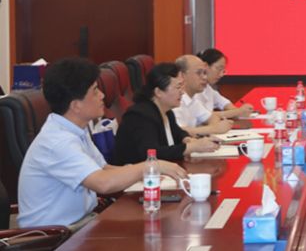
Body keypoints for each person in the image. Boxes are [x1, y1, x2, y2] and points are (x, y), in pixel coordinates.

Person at [17, 58, 187, 228]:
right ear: (76, 105)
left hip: (81, 223)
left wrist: (150, 174)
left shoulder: (76, 129)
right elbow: (103, 183)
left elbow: (104, 169)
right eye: (95, 91)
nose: (102, 96)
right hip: (54, 236)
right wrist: (151, 166)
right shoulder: (58, 142)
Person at [112, 63, 220, 165]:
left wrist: (188, 139)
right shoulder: (140, 116)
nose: (182, 92)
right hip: (139, 175)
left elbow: (178, 133)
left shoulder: (167, 111)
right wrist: (192, 147)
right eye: (178, 87)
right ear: (158, 92)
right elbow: (151, 153)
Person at [173, 54, 233, 136]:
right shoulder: (174, 100)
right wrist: (214, 129)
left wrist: (207, 130)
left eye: (204, 73)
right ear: (182, 75)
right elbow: (179, 132)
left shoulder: (192, 100)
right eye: (199, 73)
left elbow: (213, 117)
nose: (204, 77)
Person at [197, 48, 254, 119]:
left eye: (223, 70)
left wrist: (242, 111)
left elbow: (225, 104)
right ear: (205, 66)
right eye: (219, 69)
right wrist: (238, 112)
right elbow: (203, 115)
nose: (221, 74)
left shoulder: (208, 89)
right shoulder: (192, 89)